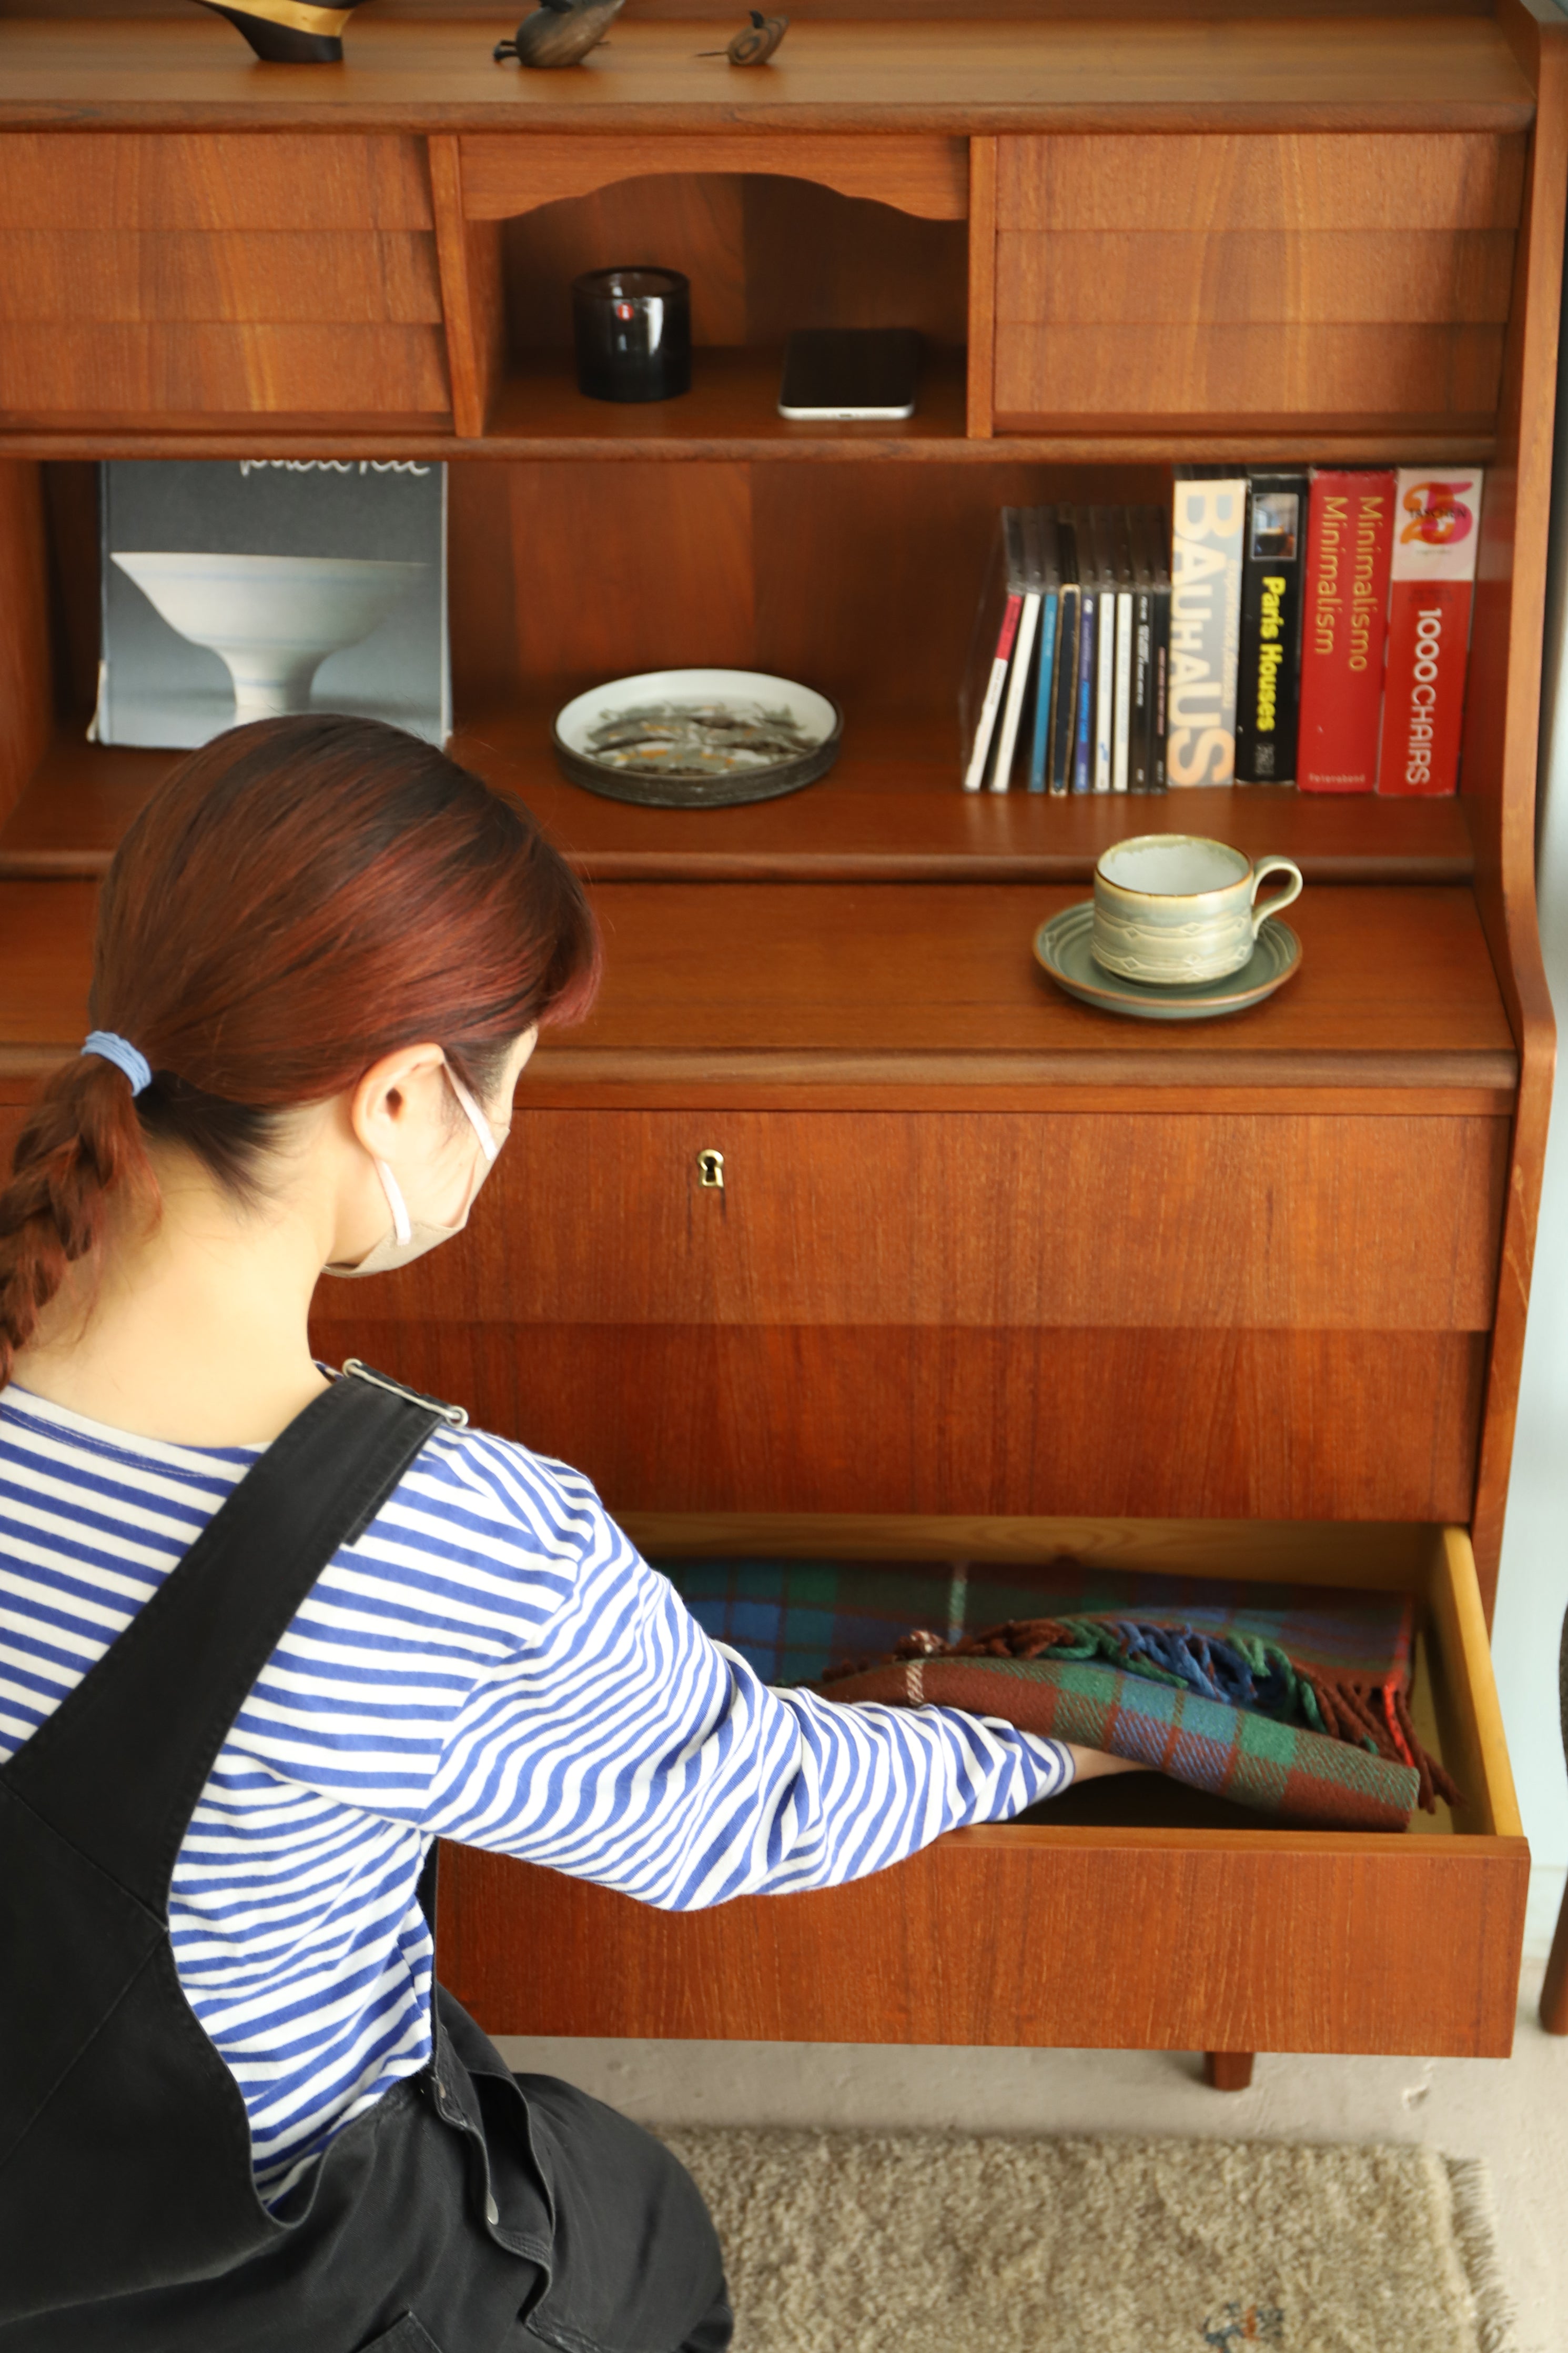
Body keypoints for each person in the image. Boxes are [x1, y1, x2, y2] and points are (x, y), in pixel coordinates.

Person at [0, 716, 1138, 2353]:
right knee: (634, 2227)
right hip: (261, 2270)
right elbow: (758, 1808)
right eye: (507, 1091)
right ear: (395, 1098)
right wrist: (1047, 1734)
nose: (497, 1141)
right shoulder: (436, 1535)